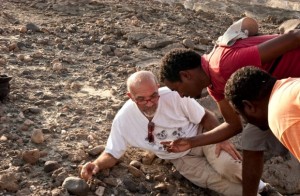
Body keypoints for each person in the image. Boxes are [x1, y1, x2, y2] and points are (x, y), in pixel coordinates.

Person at [159, 22, 300, 195]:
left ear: (186, 75)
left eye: (176, 89)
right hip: (275, 101)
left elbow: (294, 38)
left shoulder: (223, 64)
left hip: (290, 94)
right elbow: (233, 125)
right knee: (251, 140)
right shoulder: (214, 86)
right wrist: (191, 142)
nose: (180, 96)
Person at [80, 70, 272, 195]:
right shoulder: (124, 119)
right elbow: (112, 152)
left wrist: (219, 138)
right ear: (130, 97)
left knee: (228, 166)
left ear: (158, 88)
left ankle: (266, 190)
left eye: (153, 95)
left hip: (200, 139)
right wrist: (96, 165)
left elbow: (205, 115)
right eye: (141, 99)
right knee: (219, 184)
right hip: (180, 158)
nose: (150, 102)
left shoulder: (173, 95)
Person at [224, 66, 300, 161]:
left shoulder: (281, 115)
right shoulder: (290, 85)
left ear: (249, 106)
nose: (244, 121)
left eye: (240, 114)